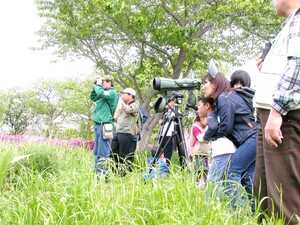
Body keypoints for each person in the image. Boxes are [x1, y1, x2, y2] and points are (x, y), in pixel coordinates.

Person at [253, 1, 300, 224]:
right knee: (263, 192)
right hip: (273, 114)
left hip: (284, 117)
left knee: (284, 197)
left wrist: (277, 111)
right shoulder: (289, 24)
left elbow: (298, 65)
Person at [201, 59, 258, 211]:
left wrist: (209, 136)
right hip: (255, 138)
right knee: (248, 178)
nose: (202, 87)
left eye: (205, 83)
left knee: (231, 171)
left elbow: (226, 127)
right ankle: (257, 213)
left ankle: (239, 212)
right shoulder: (228, 96)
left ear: (215, 83)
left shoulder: (223, 97)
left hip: (252, 139)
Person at [197, 95, 236, 187]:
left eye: (199, 105)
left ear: (207, 106)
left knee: (212, 182)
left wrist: (204, 138)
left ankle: (210, 201)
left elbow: (213, 127)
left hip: (222, 152)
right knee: (227, 184)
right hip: (228, 151)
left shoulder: (211, 115)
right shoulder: (218, 114)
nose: (197, 109)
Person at [90, 75, 118, 182]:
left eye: (104, 82)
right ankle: (98, 176)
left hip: (105, 125)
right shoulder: (102, 93)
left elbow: (100, 93)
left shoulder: (112, 93)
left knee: (103, 153)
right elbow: (93, 96)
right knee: (97, 153)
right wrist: (95, 86)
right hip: (98, 125)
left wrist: (98, 85)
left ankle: (105, 178)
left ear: (110, 82)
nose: (102, 83)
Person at [111, 87, 140, 176]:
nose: (122, 95)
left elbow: (129, 110)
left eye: (124, 94)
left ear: (130, 95)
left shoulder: (135, 105)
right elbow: (115, 117)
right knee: (113, 153)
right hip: (118, 132)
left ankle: (123, 175)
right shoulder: (121, 105)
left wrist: (122, 102)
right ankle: (115, 173)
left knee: (123, 155)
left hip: (127, 133)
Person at [189, 113, 211, 187]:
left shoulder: (205, 128)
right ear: (201, 119)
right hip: (198, 153)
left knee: (205, 171)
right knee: (199, 171)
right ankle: (197, 186)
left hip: (205, 153)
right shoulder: (195, 127)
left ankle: (203, 186)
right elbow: (201, 138)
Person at [157, 100, 175, 165]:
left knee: (167, 152)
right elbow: (160, 122)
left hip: (170, 134)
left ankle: (166, 166)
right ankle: (161, 164)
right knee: (160, 151)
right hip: (163, 134)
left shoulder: (175, 111)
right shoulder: (165, 113)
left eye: (170, 102)